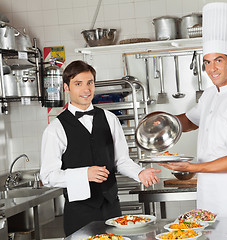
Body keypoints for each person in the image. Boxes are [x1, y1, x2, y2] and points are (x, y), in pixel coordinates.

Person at [159, 2, 227, 217]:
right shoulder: (210, 94)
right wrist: (162, 124)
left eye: (218, 60)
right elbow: (191, 120)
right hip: (207, 192)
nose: (212, 69)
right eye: (207, 62)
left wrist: (191, 168)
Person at [40, 60, 161, 236]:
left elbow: (121, 160)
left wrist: (140, 173)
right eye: (78, 84)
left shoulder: (110, 119)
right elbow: (48, 176)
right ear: (66, 88)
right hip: (79, 212)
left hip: (111, 208)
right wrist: (84, 174)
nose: (86, 89)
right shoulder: (55, 129)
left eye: (90, 83)